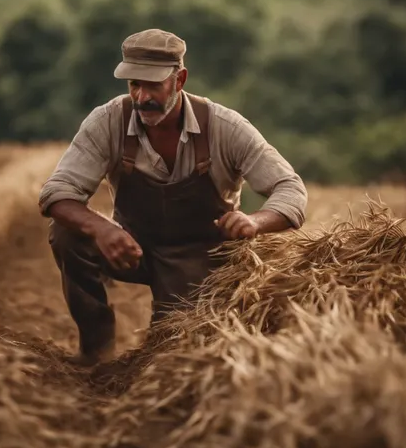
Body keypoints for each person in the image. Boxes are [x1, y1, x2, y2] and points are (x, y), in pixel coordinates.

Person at [39, 29, 307, 365]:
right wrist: (101, 229)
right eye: (134, 84)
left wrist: (255, 221)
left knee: (171, 358)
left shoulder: (225, 128)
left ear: (179, 80)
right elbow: (56, 194)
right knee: (66, 233)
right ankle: (96, 350)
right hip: (133, 247)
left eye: (153, 85)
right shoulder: (108, 121)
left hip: (201, 258)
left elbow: (291, 189)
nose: (141, 96)